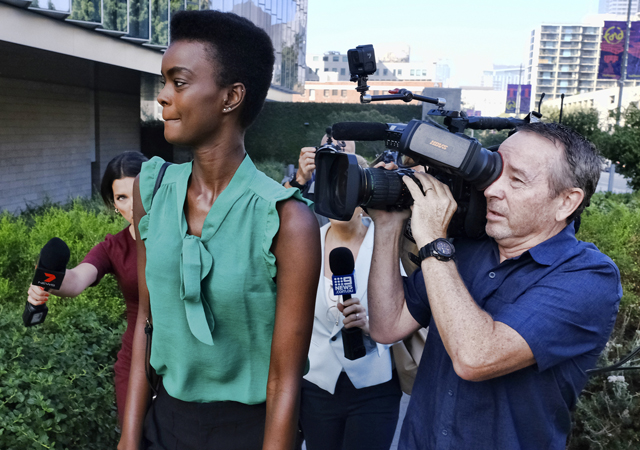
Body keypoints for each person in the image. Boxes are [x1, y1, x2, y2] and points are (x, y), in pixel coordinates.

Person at [118, 10, 320, 450]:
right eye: (164, 82)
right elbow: (146, 322)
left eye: (180, 82)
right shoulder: (149, 189)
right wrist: (129, 438)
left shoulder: (287, 220)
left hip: (248, 433)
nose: (163, 98)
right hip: (163, 422)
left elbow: (285, 378)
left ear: (231, 97)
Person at [366, 122, 622, 450]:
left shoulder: (588, 277)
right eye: (496, 171)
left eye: (516, 180)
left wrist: (431, 238)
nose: (490, 190)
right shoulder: (468, 248)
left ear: (566, 202)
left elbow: (475, 357)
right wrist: (388, 225)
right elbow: (387, 326)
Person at [26, 151, 149, 424]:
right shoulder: (113, 247)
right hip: (136, 361)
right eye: (122, 198)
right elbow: (76, 280)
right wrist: (45, 279)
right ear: (114, 204)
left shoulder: (189, 235)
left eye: (138, 192)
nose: (133, 205)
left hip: (187, 363)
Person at [299, 155, 402, 450]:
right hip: (317, 386)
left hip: (375, 387)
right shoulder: (305, 243)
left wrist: (375, 328)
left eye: (347, 188)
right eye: (331, 188)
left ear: (364, 195)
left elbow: (411, 310)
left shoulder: (388, 244)